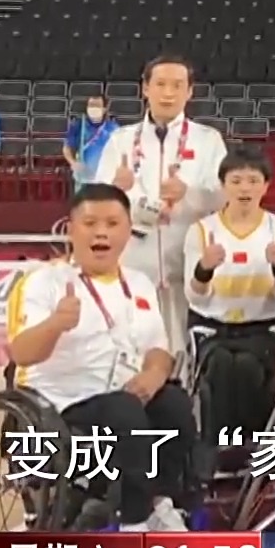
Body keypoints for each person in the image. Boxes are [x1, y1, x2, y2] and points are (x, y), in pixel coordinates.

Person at [4, 183, 197, 532]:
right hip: (63, 404)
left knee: (174, 404)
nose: (101, 233)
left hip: (124, 395)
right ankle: (135, 522)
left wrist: (154, 375)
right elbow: (21, 353)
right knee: (125, 412)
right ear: (70, 229)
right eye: (90, 223)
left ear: (128, 230)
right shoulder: (43, 282)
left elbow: (159, 348)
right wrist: (56, 324)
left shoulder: (139, 283)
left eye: (112, 223)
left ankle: (162, 502)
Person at [95, 55, 228, 345]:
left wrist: (188, 193)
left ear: (189, 92)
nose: (168, 93)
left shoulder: (208, 140)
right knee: (133, 346)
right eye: (161, 84)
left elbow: (224, 198)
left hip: (188, 264)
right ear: (145, 88)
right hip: (134, 262)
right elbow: (97, 203)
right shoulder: (121, 140)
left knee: (183, 348)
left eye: (177, 86)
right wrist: (117, 189)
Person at [183, 149, 275, 462]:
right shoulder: (201, 231)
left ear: (266, 185)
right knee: (219, 365)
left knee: (247, 366)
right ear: (223, 185)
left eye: (253, 181)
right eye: (236, 180)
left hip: (260, 328)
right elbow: (195, 296)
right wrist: (204, 268)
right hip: (211, 327)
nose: (245, 188)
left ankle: (252, 447)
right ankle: (216, 449)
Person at [64, 93, 119, 189]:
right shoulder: (78, 125)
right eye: (91, 105)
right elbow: (67, 147)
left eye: (97, 105)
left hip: (106, 180)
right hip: (84, 179)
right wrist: (73, 162)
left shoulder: (113, 128)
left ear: (104, 109)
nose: (93, 108)